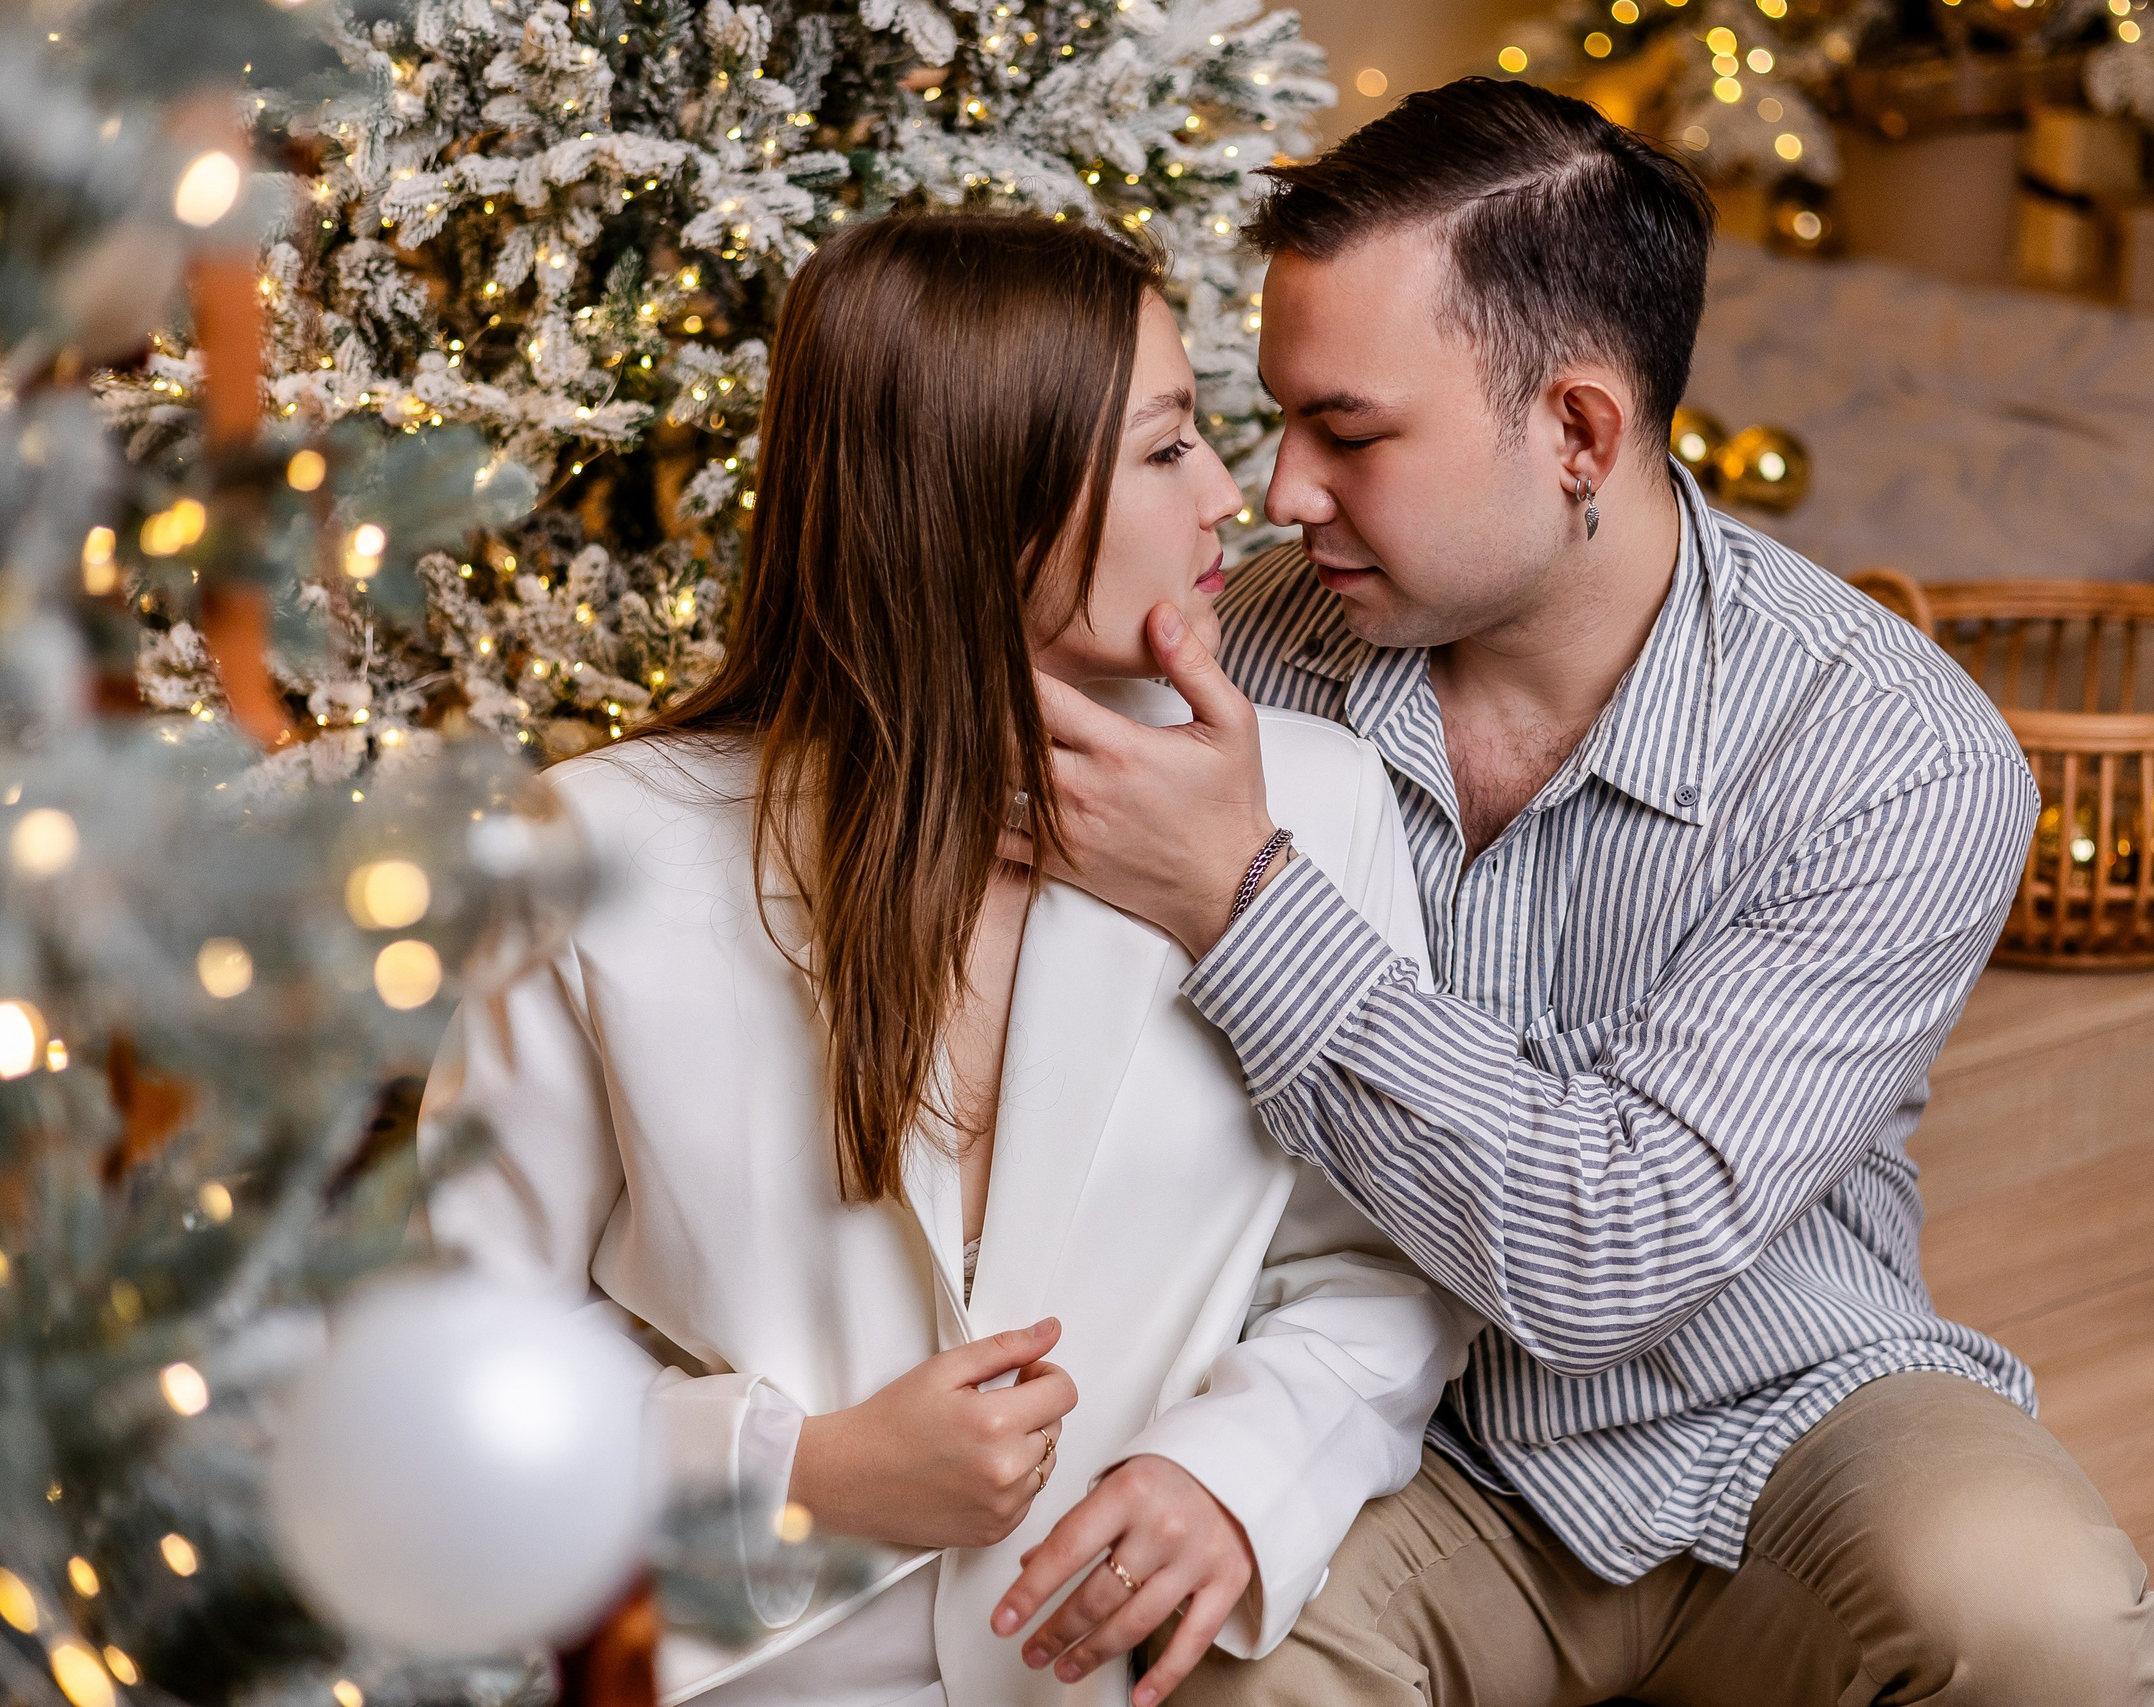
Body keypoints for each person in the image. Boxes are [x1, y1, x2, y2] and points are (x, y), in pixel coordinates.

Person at [1000, 79, 2154, 1706]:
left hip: (1782, 1415)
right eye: (1270, 418)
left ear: (1577, 433)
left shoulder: (1902, 758)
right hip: (1382, 1437)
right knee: (1159, 1670)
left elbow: (1611, 1249)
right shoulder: (1239, 654)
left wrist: (1244, 899)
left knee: (2041, 1623)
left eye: (1348, 431)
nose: (1277, 491)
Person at [415, 212, 1471, 1707]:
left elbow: (1374, 1265)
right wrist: (806, 1476)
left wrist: (1229, 1478)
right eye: (1169, 447)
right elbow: (470, 1364)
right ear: (988, 493)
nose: (1234, 495)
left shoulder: (1305, 805)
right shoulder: (597, 848)